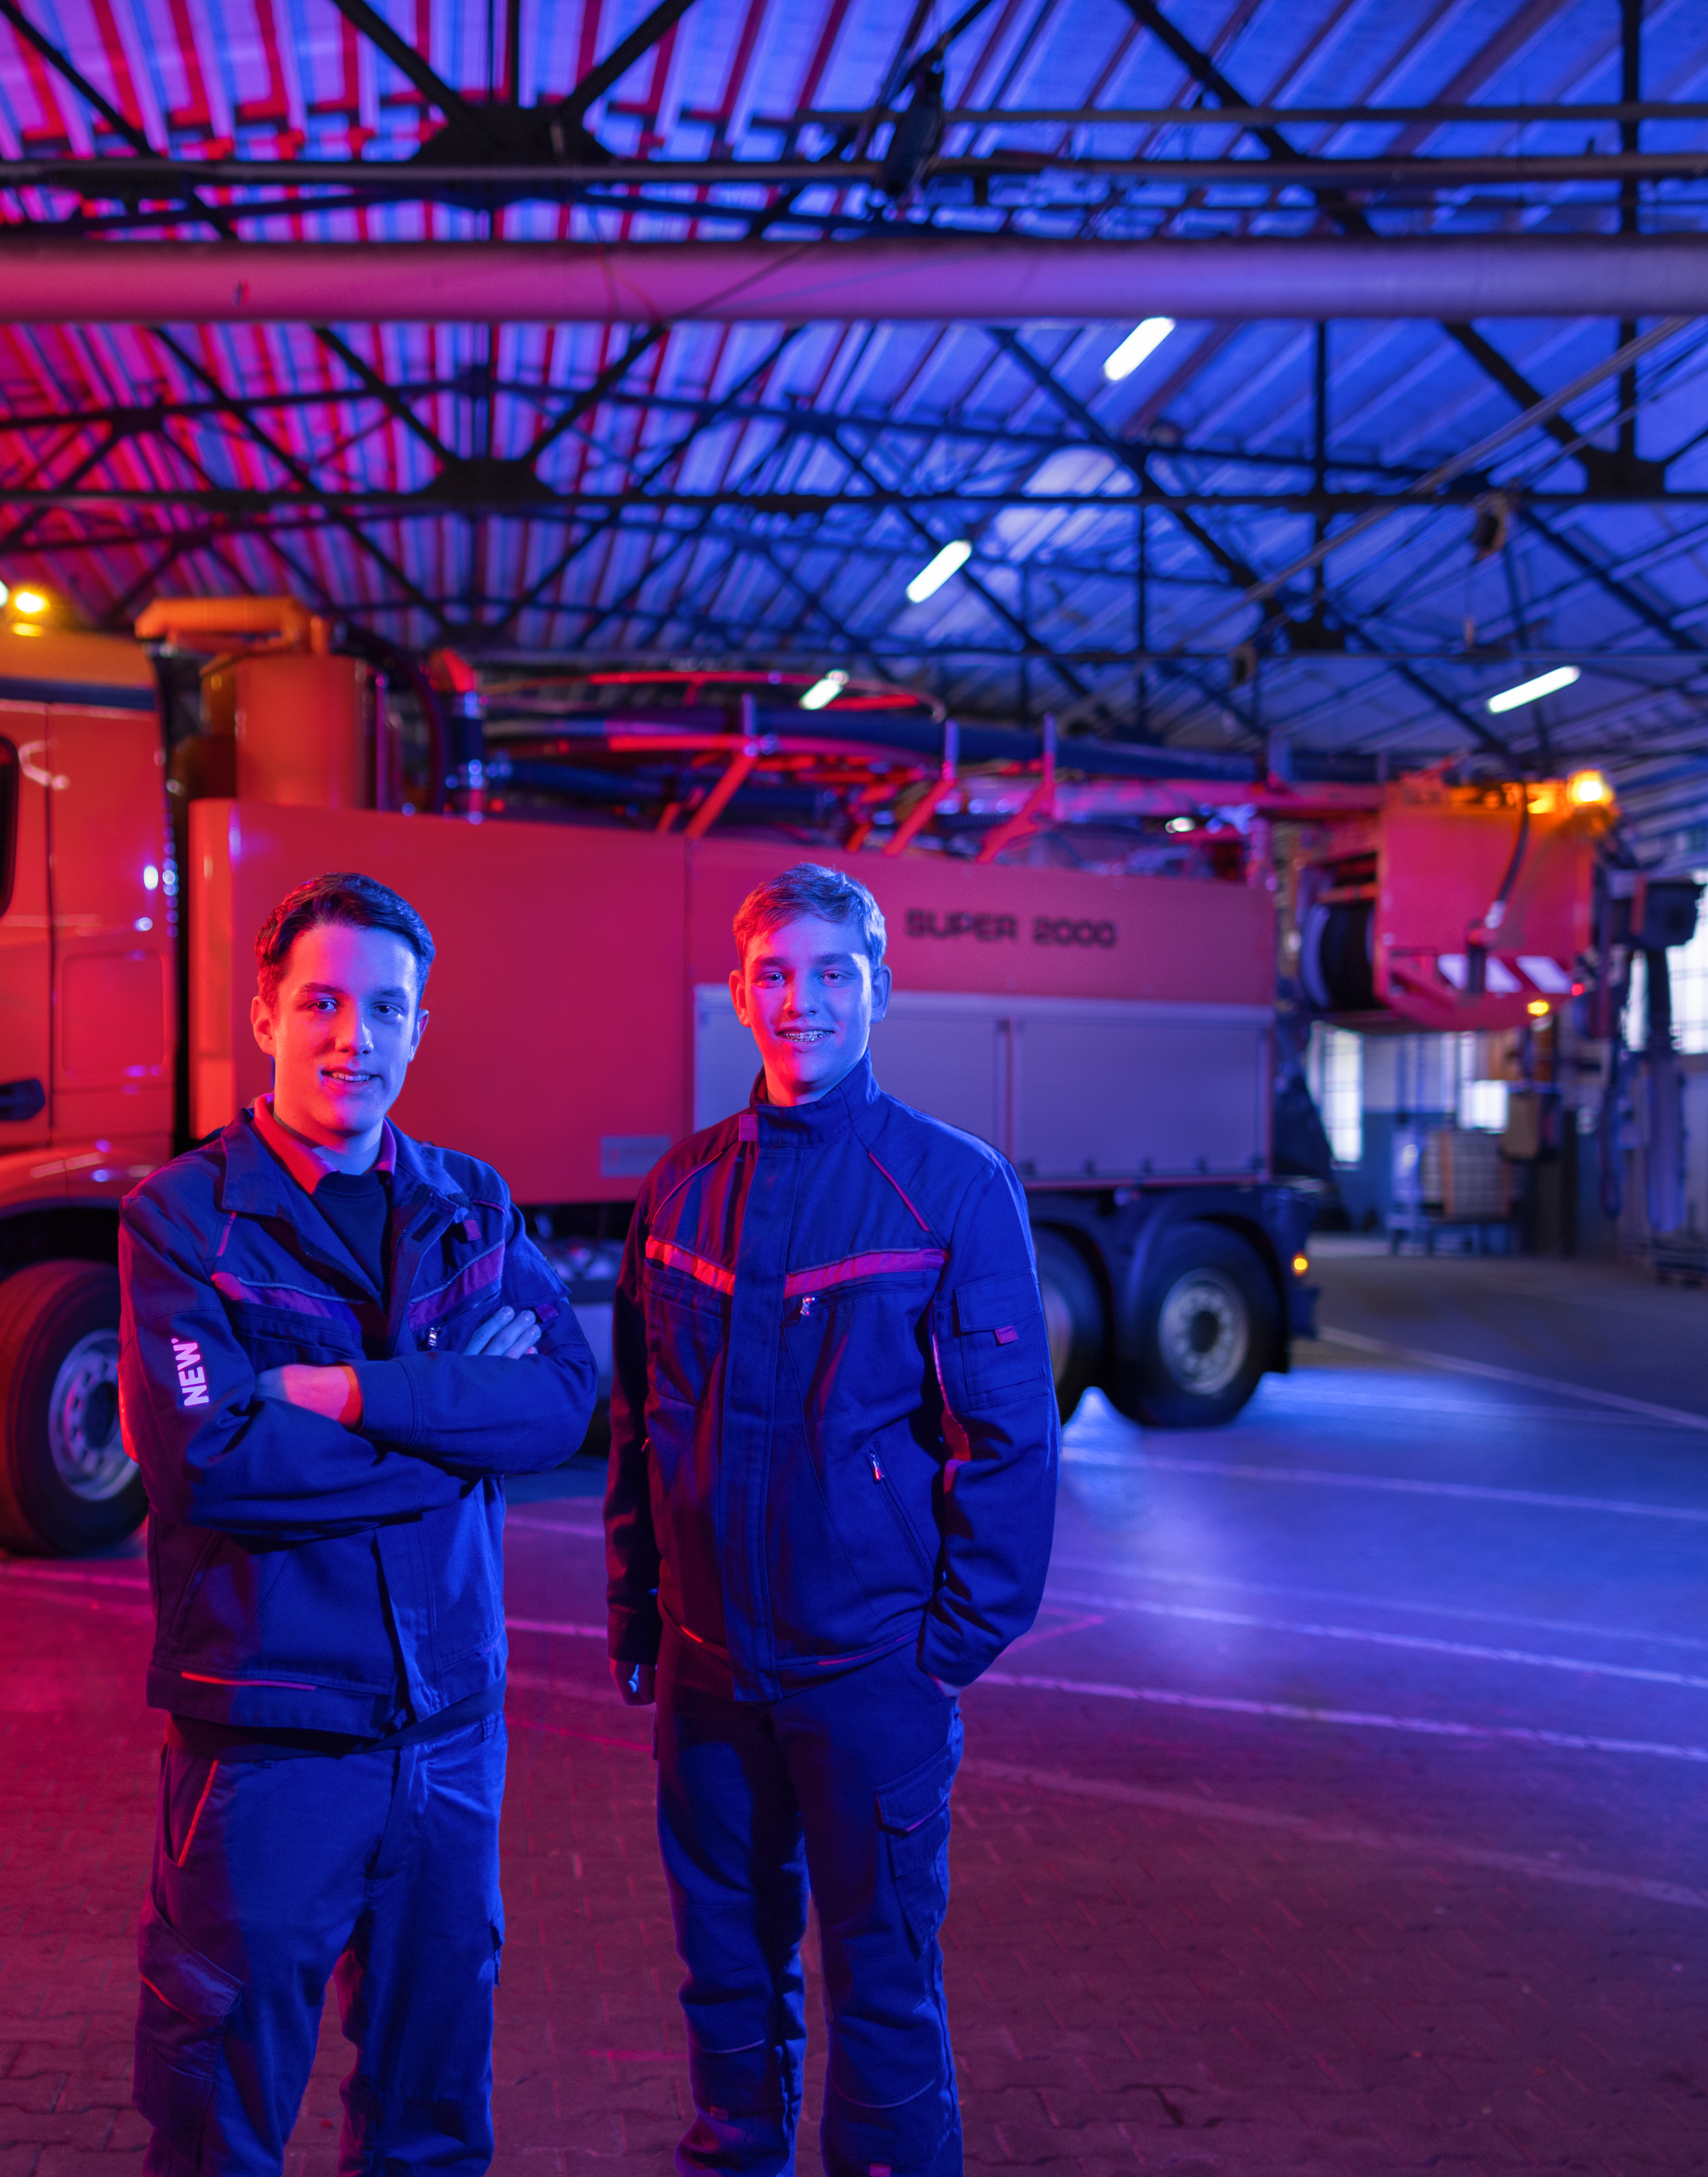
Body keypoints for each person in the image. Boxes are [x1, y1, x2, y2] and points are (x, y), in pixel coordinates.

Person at [120, 870, 599, 2177]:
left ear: (418, 1027)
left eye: (386, 1008)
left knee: (433, 2116)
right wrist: (455, 1434)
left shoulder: (470, 1204)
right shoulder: (185, 1219)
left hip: (449, 1742)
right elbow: (210, 1461)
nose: (355, 1038)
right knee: (221, 2105)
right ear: (266, 1012)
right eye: (323, 1003)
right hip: (272, 1744)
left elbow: (562, 1401)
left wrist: (346, 1397)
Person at [604, 862, 1062, 2177]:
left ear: (879, 989)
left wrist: (948, 1647)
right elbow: (642, 1426)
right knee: (728, 1987)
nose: (802, 1001)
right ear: (740, 996)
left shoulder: (952, 1189)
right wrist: (642, 1607)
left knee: (884, 1992)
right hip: (706, 1674)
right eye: (775, 975)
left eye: (831, 972)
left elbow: (1011, 1438)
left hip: (869, 1674)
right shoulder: (681, 1189)